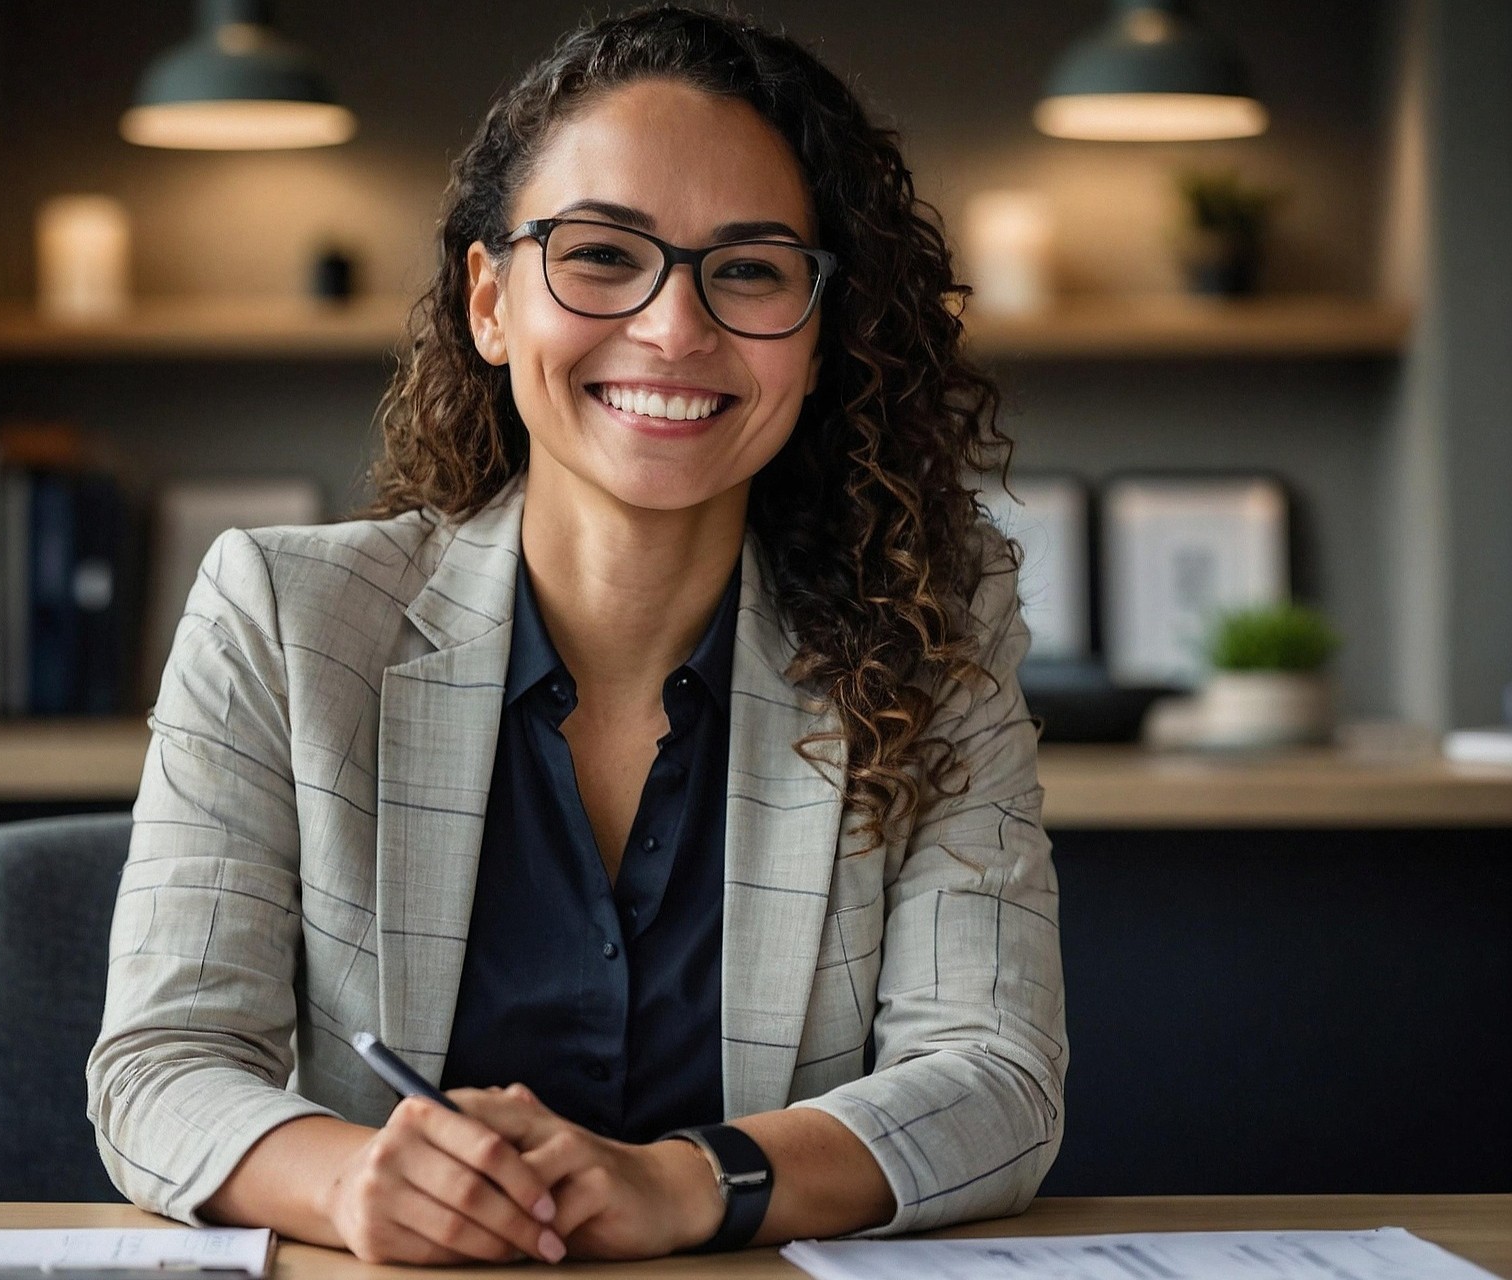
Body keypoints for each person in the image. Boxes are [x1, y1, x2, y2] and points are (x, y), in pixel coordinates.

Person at [88, 5, 1065, 1265]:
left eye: (753, 267)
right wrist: (354, 1184)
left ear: (820, 341)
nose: (673, 327)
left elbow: (996, 1078)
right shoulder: (281, 614)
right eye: (603, 254)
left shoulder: (933, 628)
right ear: (491, 301)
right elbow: (162, 1064)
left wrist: (691, 1181)